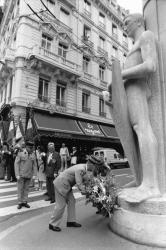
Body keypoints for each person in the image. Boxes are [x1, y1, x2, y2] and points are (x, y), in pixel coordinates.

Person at [108, 13, 160, 203]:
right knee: (138, 130)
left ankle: (151, 185)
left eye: (127, 22)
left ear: (139, 22)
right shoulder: (136, 43)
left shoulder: (146, 36)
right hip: (131, 91)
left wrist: (120, 75)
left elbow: (150, 65)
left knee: (142, 127)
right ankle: (142, 180)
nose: (124, 26)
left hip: (137, 89)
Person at [48, 155, 107, 232]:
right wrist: (88, 192)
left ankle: (71, 221)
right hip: (61, 184)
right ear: (91, 164)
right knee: (61, 205)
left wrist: (95, 187)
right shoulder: (80, 169)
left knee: (72, 201)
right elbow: (79, 184)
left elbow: (87, 179)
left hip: (66, 185)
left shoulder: (83, 168)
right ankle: (52, 224)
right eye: (95, 167)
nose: (95, 169)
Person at [14, 141, 37, 209]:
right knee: (20, 189)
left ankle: (24, 201)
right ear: (26, 147)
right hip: (21, 175)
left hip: (29, 175)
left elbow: (35, 165)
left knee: (26, 189)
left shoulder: (33, 154)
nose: (31, 149)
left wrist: (34, 174)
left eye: (32, 148)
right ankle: (20, 202)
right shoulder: (21, 153)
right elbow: (16, 164)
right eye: (30, 148)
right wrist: (17, 174)